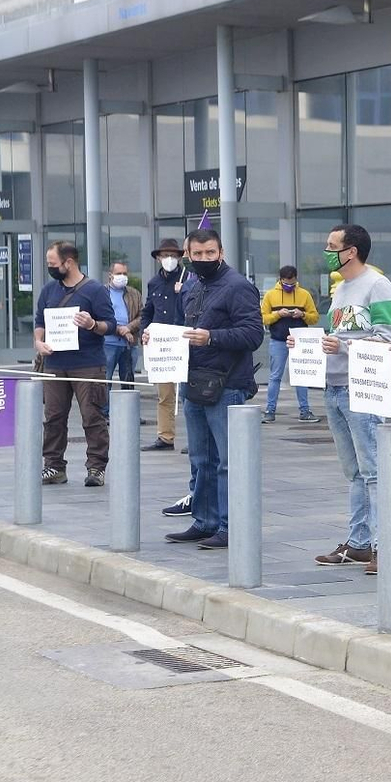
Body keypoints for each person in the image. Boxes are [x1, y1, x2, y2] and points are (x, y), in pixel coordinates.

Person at [302, 224, 391, 573]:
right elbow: (340, 336)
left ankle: (384, 546)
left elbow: (389, 340)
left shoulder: (378, 286)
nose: (327, 252)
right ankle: (359, 542)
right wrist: (310, 345)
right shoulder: (341, 289)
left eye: (332, 246)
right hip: (335, 387)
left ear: (351, 251)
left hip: (362, 387)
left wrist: (343, 346)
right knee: (355, 471)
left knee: (373, 470)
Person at [160, 229, 265, 548]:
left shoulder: (238, 286)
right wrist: (159, 338)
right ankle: (204, 521)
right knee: (201, 459)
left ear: (221, 253)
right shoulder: (193, 286)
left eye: (210, 253)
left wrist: (212, 337)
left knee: (227, 461)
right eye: (197, 254)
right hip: (194, 380)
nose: (204, 258)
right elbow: (184, 329)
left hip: (227, 383)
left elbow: (253, 334)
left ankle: (231, 526)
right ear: (188, 256)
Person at [33, 241, 117, 487]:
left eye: (52, 263)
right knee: (53, 417)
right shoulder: (49, 290)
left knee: (93, 417)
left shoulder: (94, 290)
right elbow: (40, 321)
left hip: (88, 364)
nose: (50, 267)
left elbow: (110, 325)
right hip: (55, 364)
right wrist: (39, 342)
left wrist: (92, 324)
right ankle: (54, 466)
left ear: (68, 263)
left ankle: (96, 467)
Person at [140, 238, 186, 451]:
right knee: (165, 395)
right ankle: (165, 437)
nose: (169, 259)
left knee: (191, 395)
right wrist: (144, 332)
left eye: (173, 256)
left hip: (184, 341)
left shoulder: (190, 279)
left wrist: (184, 292)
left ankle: (199, 440)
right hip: (162, 345)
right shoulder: (154, 283)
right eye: (165, 255)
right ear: (158, 258)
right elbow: (147, 311)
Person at [260, 265, 320, 424]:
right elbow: (263, 318)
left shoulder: (304, 294)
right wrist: (278, 314)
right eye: (286, 284)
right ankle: (270, 410)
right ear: (280, 280)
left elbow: (314, 318)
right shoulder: (270, 295)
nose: (289, 287)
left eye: (292, 284)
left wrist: (303, 314)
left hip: (300, 340)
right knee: (275, 376)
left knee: (301, 376)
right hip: (278, 340)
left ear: (296, 280)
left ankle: (305, 411)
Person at [101, 260, 143, 420]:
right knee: (105, 380)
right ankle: (104, 414)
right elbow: (100, 317)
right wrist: (120, 330)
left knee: (128, 380)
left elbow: (142, 315)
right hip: (107, 343)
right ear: (110, 275)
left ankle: (129, 414)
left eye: (125, 273)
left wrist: (129, 328)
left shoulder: (134, 293)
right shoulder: (101, 293)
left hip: (129, 345)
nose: (122, 276)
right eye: (119, 273)